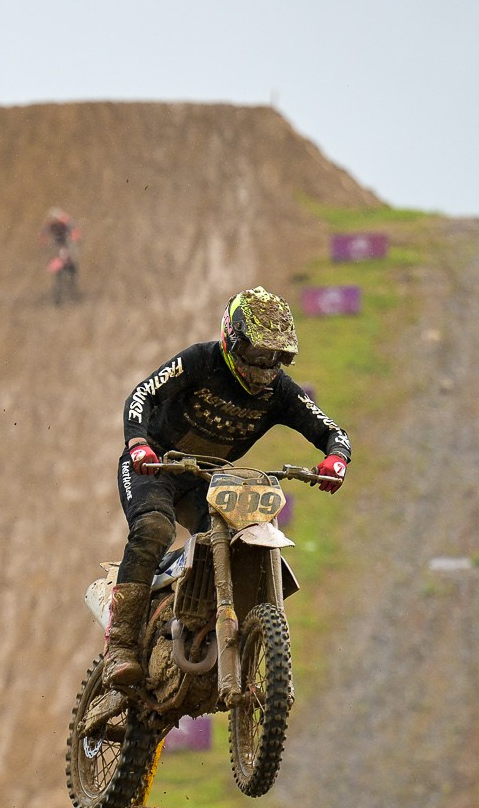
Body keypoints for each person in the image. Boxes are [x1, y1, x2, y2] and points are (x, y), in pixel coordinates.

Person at [100, 288, 350, 688]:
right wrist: (138, 443)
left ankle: (202, 630)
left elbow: (332, 431)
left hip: (208, 478)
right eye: (259, 356)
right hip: (156, 466)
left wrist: (336, 459)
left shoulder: (280, 391)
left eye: (279, 358)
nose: (268, 368)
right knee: (154, 529)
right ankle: (121, 648)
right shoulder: (201, 361)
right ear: (232, 341)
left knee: (236, 543)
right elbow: (142, 393)